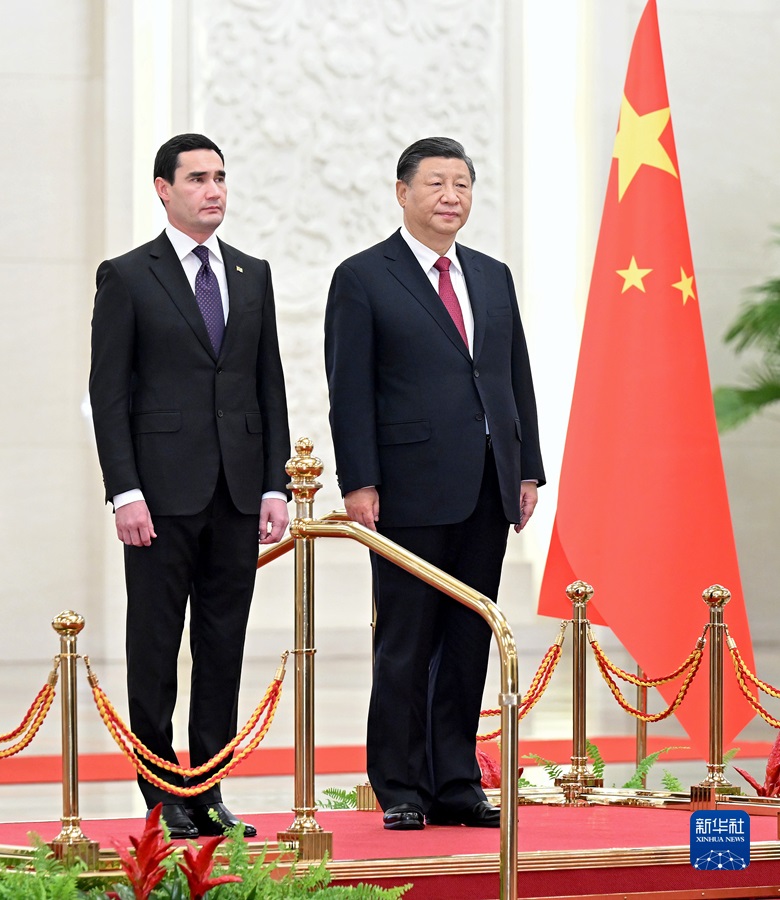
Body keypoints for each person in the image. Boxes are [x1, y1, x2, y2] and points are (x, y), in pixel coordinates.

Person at [324, 137, 545, 831]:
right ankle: (400, 786)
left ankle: (455, 781)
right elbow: (349, 390)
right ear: (403, 193)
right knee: (406, 640)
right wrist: (359, 481)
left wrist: (528, 467)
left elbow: (513, 376)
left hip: (487, 484)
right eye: (436, 183)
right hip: (407, 488)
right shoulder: (363, 276)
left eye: (462, 184)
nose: (451, 196)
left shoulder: (492, 275)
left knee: (470, 637)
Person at [89, 133, 291, 839]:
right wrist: (124, 491)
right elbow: (108, 394)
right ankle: (159, 792)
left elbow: (268, 384)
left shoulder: (251, 273)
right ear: (163, 189)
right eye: (199, 178)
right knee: (154, 646)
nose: (214, 190)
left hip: (237, 493)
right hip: (158, 497)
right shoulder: (127, 276)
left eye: (221, 178)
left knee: (222, 645)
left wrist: (274, 485)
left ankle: (207, 790)